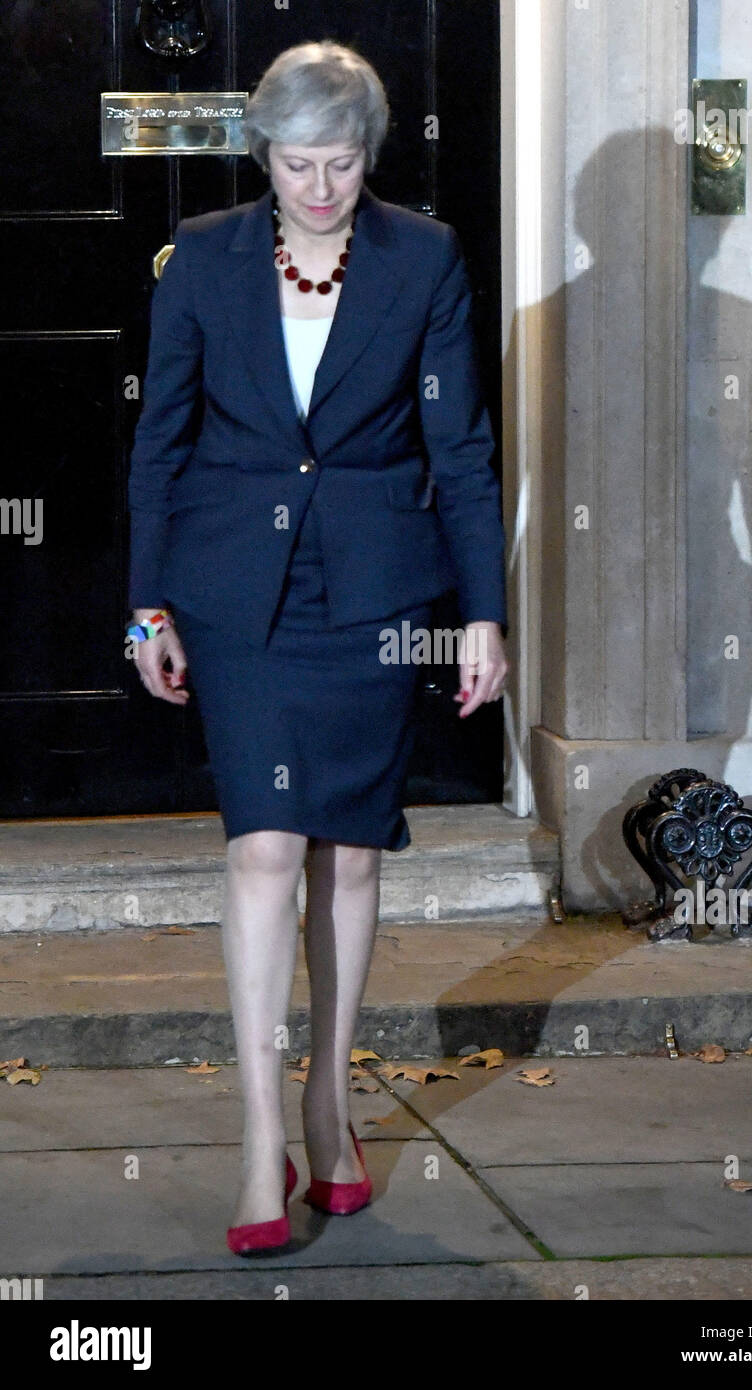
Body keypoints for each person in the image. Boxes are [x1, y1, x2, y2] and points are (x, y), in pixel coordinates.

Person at [126, 39, 508, 1255]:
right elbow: (161, 445)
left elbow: (457, 452)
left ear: (368, 156)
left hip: (376, 596)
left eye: (341, 163)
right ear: (265, 155)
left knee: (346, 856)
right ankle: (255, 1144)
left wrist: (480, 613)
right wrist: (147, 607)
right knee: (264, 850)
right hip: (237, 596)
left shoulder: (426, 259)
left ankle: (327, 1108)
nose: (321, 188)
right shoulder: (201, 260)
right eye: (299, 164)